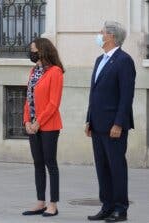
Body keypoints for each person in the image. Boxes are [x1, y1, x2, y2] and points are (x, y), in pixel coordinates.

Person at [85, 21, 135, 222]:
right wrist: (89, 120)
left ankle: (120, 209)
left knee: (116, 167)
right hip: (97, 124)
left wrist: (119, 123)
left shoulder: (124, 61)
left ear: (111, 37)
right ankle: (106, 206)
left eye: (102, 32)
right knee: (102, 168)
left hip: (113, 125)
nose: (99, 35)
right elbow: (94, 92)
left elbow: (126, 96)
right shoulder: (100, 60)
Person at [22, 38, 64, 217]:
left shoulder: (55, 72)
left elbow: (53, 103)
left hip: (49, 126)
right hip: (33, 125)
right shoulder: (33, 71)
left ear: (42, 51)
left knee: (50, 163)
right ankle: (40, 202)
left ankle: (53, 204)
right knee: (38, 164)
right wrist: (27, 122)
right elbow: (28, 99)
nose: (31, 53)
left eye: (33, 50)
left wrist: (38, 122)